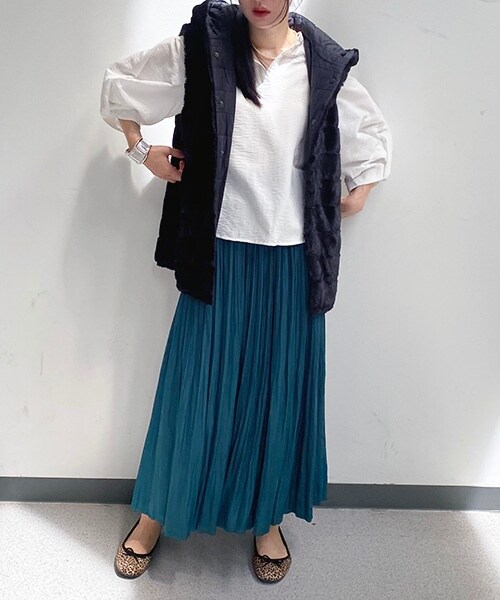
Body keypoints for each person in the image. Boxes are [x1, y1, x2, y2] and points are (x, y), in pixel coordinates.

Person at [100, 0, 392, 584]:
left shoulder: (323, 61)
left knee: (278, 391)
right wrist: (140, 150)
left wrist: (358, 189)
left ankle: (266, 520)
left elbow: (371, 136)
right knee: (193, 386)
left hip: (293, 258)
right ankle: (156, 513)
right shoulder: (203, 46)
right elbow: (119, 86)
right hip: (218, 250)